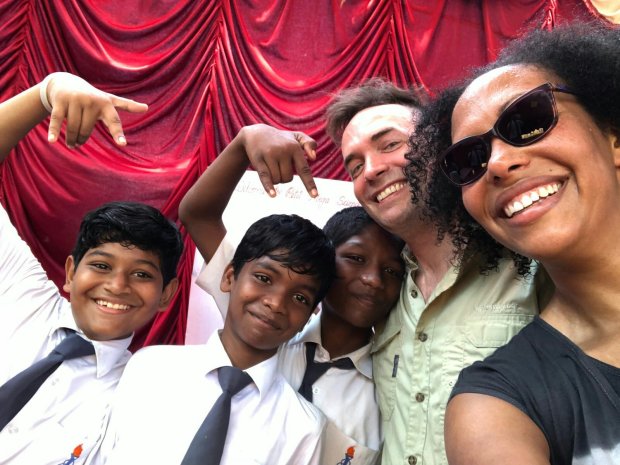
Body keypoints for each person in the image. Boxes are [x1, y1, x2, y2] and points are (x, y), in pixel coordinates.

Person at [221, 79, 551, 464]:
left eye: (390, 144)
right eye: (355, 166)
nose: (372, 170)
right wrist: (248, 137)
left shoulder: (528, 261)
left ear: (440, 143)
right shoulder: (385, 299)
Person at [409, 21, 620, 465]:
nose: (498, 164)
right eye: (469, 160)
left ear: (612, 137)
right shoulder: (498, 402)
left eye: (528, 121)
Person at [180, 129, 405, 463]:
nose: (373, 279)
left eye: (392, 271)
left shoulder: (391, 389)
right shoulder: (269, 326)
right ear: (323, 264)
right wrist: (245, 142)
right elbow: (197, 215)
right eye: (356, 259)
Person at [0, 73, 182, 465]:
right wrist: (48, 90)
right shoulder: (21, 293)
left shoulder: (140, 398)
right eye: (100, 265)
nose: (116, 285)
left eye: (142, 274)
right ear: (70, 272)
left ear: (167, 294)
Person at [94, 183, 336, 463]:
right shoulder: (150, 367)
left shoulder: (304, 429)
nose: (276, 303)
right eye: (264, 278)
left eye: (299, 297)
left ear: (311, 314)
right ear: (229, 277)